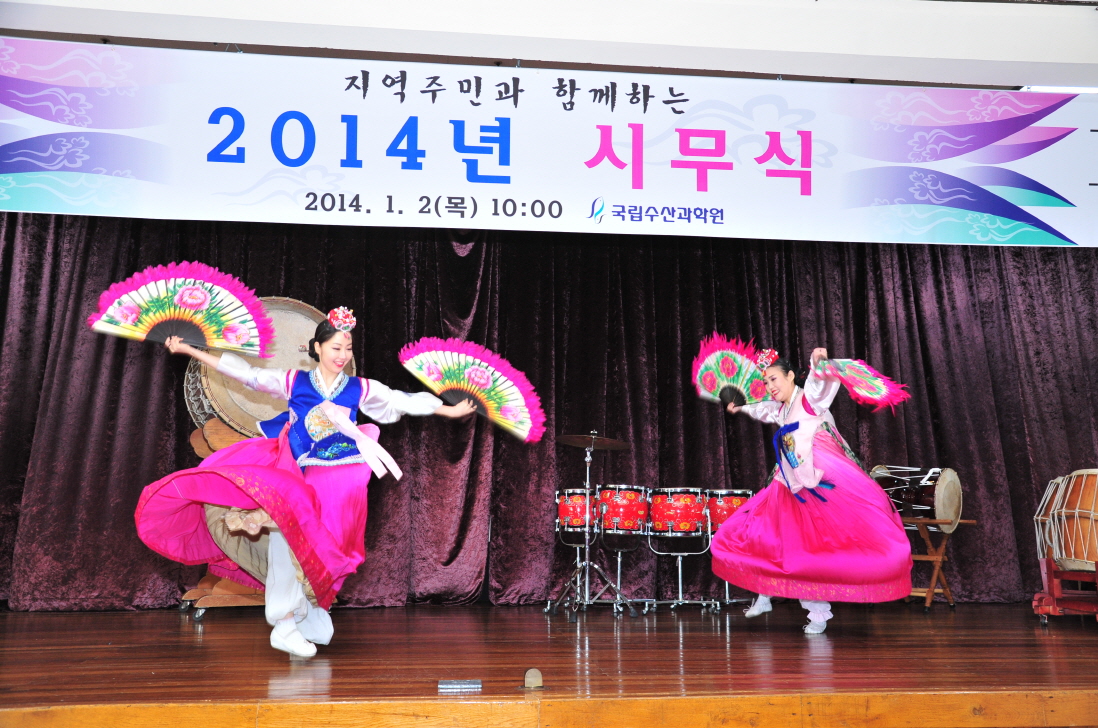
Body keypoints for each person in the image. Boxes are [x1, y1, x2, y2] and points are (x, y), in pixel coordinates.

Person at [134, 307, 474, 657]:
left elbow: (399, 399)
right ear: (317, 348)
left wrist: (447, 410)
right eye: (335, 347)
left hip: (337, 474)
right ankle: (284, 621)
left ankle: (306, 610)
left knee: (326, 542)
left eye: (348, 348)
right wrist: (192, 350)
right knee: (288, 539)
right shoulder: (294, 382)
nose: (342, 355)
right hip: (293, 471)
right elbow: (246, 374)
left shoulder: (359, 388)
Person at [711, 347, 912, 634]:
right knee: (765, 532)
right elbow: (762, 408)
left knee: (810, 548)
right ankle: (764, 594)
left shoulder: (809, 400)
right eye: (765, 381)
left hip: (821, 479)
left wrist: (819, 364)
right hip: (790, 480)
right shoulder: (780, 407)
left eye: (774, 379)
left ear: (791, 375)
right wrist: (740, 407)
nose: (770, 386)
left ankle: (818, 614)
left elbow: (821, 383)